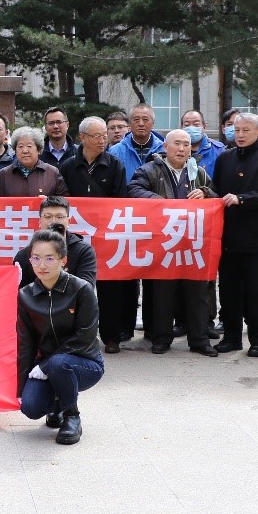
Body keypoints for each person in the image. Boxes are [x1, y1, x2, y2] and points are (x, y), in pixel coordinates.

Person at [127, 129, 219, 357]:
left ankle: (199, 340)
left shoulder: (197, 171)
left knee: (197, 292)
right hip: (163, 241)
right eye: (177, 143)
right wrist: (160, 202)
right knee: (163, 292)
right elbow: (134, 190)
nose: (182, 148)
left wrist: (205, 193)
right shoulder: (150, 169)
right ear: (165, 147)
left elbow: (216, 196)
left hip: (193, 241)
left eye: (186, 144)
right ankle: (161, 338)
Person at [17, 229, 106, 445]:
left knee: (59, 363)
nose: (42, 265)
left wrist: (46, 365)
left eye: (49, 258)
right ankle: (56, 402)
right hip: (48, 364)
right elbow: (26, 343)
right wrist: (20, 387)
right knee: (30, 407)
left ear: (63, 260)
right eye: (36, 258)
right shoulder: (25, 295)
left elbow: (85, 337)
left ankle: (72, 416)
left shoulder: (81, 290)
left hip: (85, 362)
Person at [213, 112, 258, 356]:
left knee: (255, 291)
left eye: (246, 130)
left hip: (256, 237)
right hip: (227, 237)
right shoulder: (225, 158)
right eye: (236, 130)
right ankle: (231, 338)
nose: (240, 135)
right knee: (228, 290)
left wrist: (242, 199)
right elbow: (216, 190)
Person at [58, 117, 128, 352]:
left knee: (110, 288)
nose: (102, 140)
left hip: (107, 235)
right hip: (76, 237)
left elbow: (120, 201)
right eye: (97, 136)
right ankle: (75, 336)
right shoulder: (68, 165)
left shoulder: (115, 165)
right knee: (75, 286)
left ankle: (111, 336)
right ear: (82, 138)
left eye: (104, 136)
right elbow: (63, 200)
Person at [108, 103, 165, 342]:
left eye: (145, 119)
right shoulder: (115, 151)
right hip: (126, 221)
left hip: (159, 222)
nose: (141, 123)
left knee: (155, 276)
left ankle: (153, 327)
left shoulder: (165, 148)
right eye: (136, 119)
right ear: (130, 124)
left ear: (153, 122)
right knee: (127, 276)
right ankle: (125, 326)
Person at [180, 109, 224, 336]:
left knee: (205, 274)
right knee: (178, 272)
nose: (191, 127)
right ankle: (181, 321)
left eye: (195, 123)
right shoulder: (169, 152)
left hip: (206, 223)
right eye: (186, 123)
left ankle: (207, 321)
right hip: (176, 224)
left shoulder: (220, 151)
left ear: (204, 126)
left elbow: (222, 189)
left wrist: (206, 192)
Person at [13, 196, 97, 287]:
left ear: (68, 222)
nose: (53, 221)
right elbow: (18, 292)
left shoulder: (83, 251)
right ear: (39, 221)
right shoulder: (24, 255)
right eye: (47, 217)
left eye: (59, 217)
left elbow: (86, 289)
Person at [0, 127, 69, 197]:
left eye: (29, 146)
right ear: (15, 150)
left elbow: (65, 201)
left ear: (39, 149)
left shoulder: (52, 173)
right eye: (20, 146)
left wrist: (48, 201)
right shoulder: (3, 175)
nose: (25, 151)